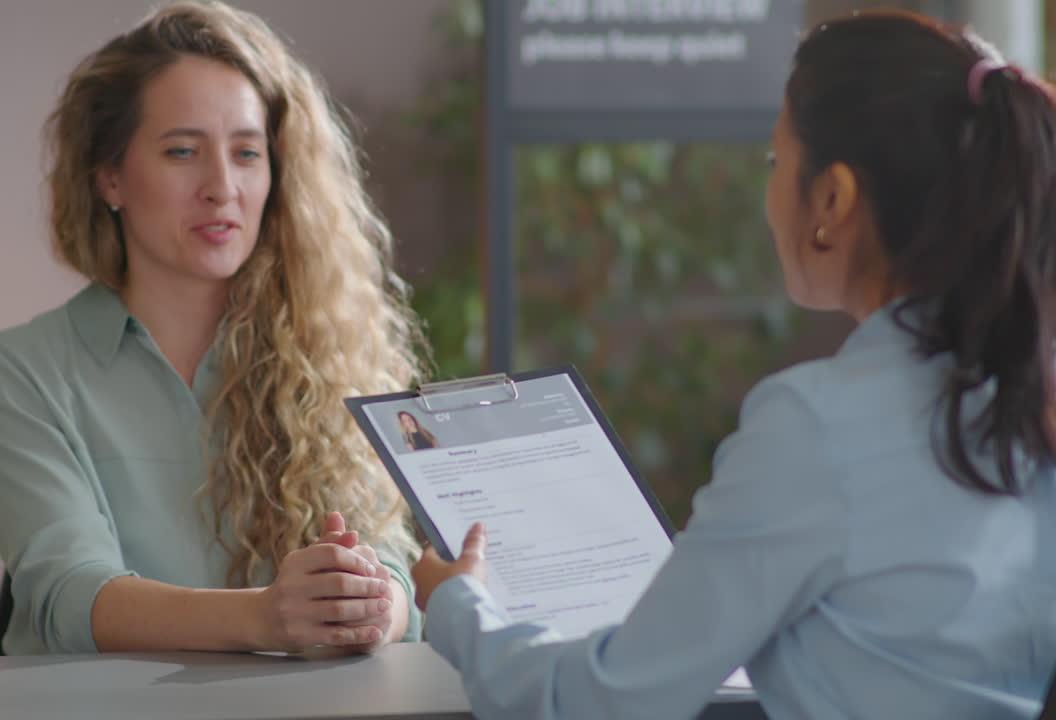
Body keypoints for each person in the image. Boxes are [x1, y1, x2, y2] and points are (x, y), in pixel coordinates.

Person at [412, 9, 1056, 719]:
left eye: (777, 161)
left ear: (833, 200)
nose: (769, 192)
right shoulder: (1030, 402)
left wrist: (459, 609)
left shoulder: (818, 425)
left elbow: (605, 701)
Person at [0, 0, 428, 655]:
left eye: (247, 153)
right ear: (109, 177)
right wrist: (266, 618)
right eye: (182, 151)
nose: (222, 187)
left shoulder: (335, 356)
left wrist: (368, 603)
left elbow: (392, 576)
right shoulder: (24, 368)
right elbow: (65, 594)